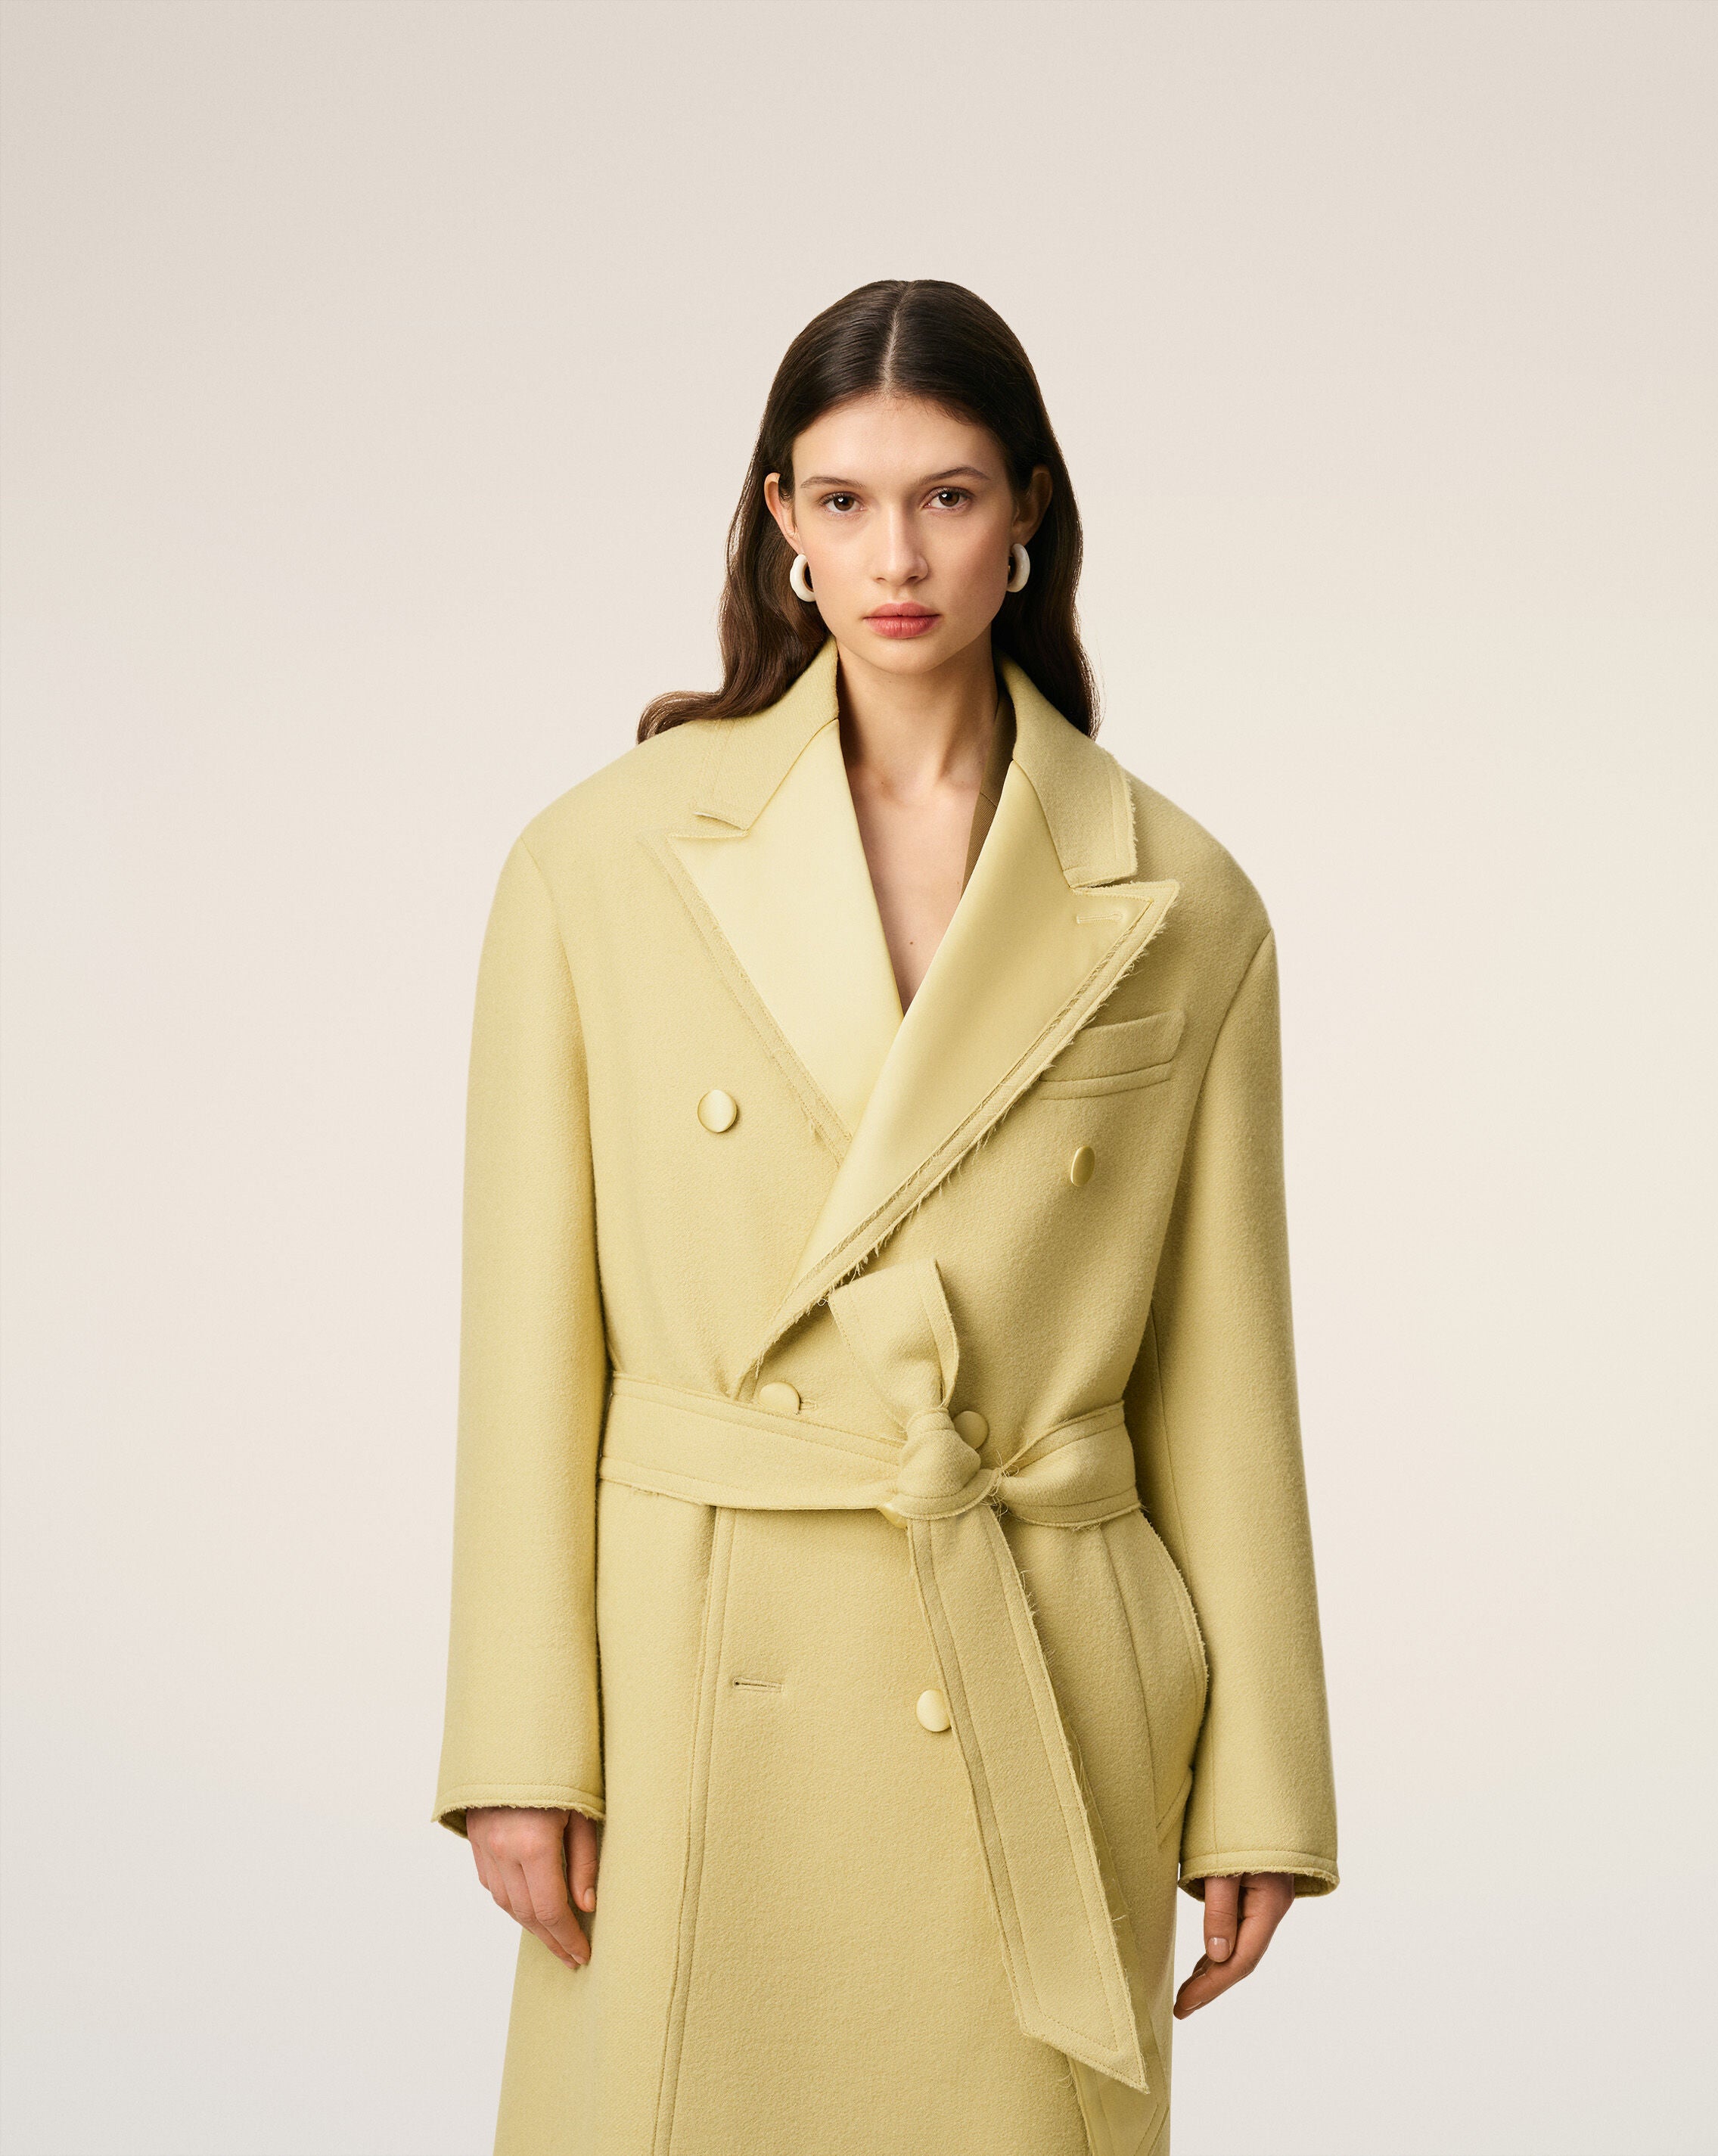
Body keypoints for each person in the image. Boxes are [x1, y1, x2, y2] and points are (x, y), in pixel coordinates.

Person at [434, 278, 1339, 2156]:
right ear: (781, 520)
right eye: (844, 501)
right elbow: (525, 1343)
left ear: (1030, 516)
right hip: (699, 1667)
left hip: (1031, 1664)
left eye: (947, 496)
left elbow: (1222, 1372)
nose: (897, 556)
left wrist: (1260, 1777)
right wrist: (520, 1740)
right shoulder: (600, 860)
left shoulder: (1183, 901)